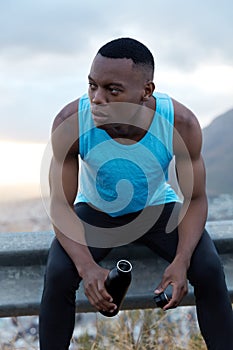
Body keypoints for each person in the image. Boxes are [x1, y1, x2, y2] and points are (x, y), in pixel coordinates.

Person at [39, 37, 233, 349]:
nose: (97, 99)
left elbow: (195, 198)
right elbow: (60, 203)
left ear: (146, 92)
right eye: (92, 86)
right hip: (96, 211)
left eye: (112, 90)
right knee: (60, 273)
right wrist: (87, 267)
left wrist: (182, 260)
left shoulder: (179, 123)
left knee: (208, 268)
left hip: (158, 209)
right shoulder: (70, 123)